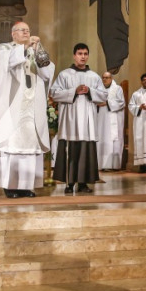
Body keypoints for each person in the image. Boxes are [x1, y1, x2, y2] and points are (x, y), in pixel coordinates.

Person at [0, 22, 55, 199]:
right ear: (13, 34)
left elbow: (47, 73)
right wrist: (25, 47)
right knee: (12, 145)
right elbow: (7, 62)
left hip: (32, 107)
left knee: (30, 146)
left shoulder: (34, 51)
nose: (26, 33)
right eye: (22, 30)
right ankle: (10, 186)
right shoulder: (3, 49)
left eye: (28, 30)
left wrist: (38, 50)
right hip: (12, 106)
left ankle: (26, 186)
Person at [49, 43, 107, 194]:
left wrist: (90, 91)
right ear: (74, 55)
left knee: (86, 152)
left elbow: (103, 96)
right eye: (80, 53)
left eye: (85, 54)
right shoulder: (64, 75)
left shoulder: (94, 76)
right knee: (71, 151)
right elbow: (54, 93)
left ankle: (83, 184)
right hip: (70, 121)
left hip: (87, 121)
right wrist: (73, 91)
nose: (83, 56)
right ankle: (69, 184)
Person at [95, 71, 125, 171]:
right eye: (103, 77)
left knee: (113, 139)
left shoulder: (117, 89)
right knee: (102, 138)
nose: (104, 79)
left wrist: (107, 103)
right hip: (101, 119)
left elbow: (121, 102)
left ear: (111, 78)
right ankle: (101, 164)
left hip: (113, 118)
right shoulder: (98, 89)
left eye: (107, 77)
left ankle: (114, 165)